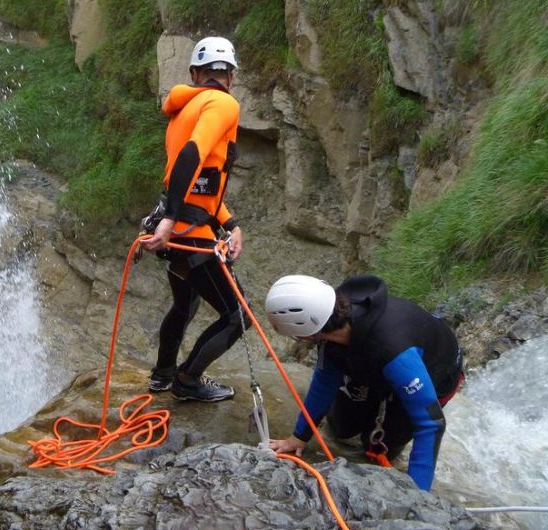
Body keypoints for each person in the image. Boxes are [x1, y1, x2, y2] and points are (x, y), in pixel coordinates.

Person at [264, 274, 464, 490]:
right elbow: (324, 382)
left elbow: (430, 423)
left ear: (306, 334)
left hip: (434, 373)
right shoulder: (331, 323)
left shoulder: (392, 348)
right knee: (343, 428)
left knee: (378, 447)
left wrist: (418, 496)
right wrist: (299, 436)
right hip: (371, 364)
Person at [140, 36, 248, 403]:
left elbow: (201, 187)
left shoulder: (184, 109)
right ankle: (187, 382)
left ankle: (162, 375)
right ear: (230, 75)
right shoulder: (223, 104)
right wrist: (172, 219)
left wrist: (230, 224)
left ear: (195, 74)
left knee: (185, 304)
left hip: (176, 228)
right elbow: (191, 156)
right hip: (188, 233)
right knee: (238, 315)